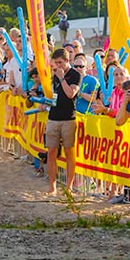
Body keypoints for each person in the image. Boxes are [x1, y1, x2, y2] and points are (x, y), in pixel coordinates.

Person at [45, 48, 81, 195]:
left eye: (60, 62)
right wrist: (48, 103)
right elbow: (56, 94)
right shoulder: (55, 75)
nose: (58, 66)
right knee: (51, 151)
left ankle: (69, 186)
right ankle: (52, 186)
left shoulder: (75, 74)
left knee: (69, 153)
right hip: (53, 117)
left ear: (67, 61)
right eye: (56, 63)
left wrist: (61, 78)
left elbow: (71, 93)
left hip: (68, 118)